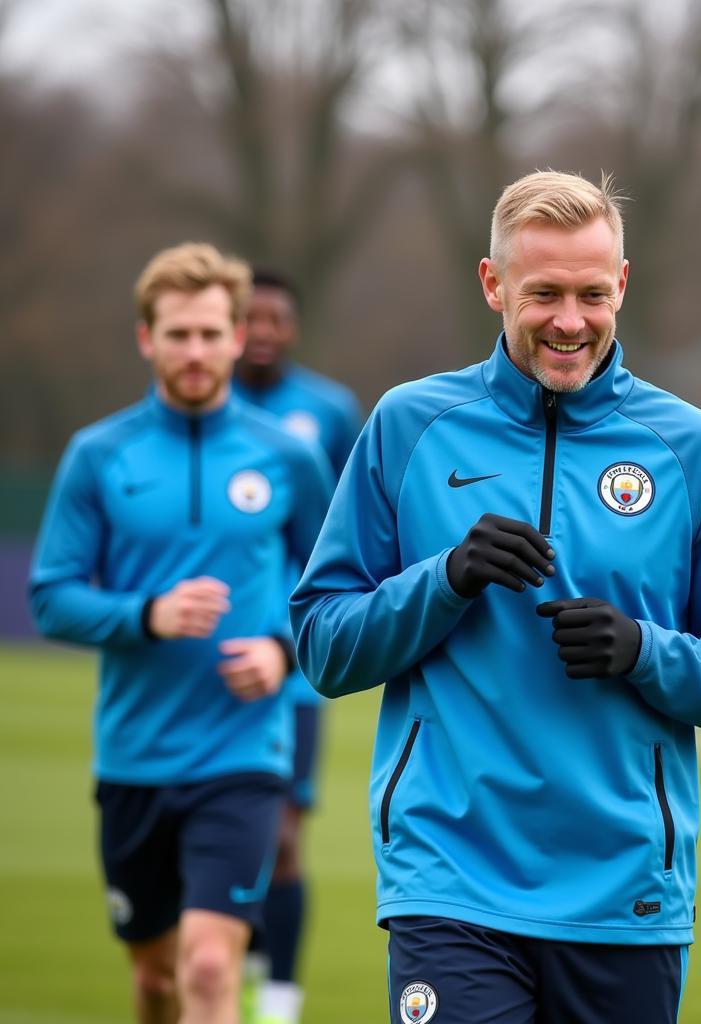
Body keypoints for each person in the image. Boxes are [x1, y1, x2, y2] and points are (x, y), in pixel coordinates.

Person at [289, 170, 701, 1024]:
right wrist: (445, 579)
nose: (571, 321)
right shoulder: (407, 426)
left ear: (623, 286)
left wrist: (646, 652)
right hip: (450, 880)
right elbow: (321, 646)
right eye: (545, 294)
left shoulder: (697, 449)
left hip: (625, 893)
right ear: (494, 285)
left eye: (592, 294)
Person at [29, 243, 333, 1024]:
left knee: (207, 968)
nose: (195, 351)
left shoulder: (290, 457)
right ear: (146, 339)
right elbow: (51, 598)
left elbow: (337, 589)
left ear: (237, 336)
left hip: (242, 755)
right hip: (133, 757)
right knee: (158, 980)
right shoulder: (98, 456)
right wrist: (145, 616)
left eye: (209, 333)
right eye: (177, 334)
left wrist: (282, 650)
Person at [233, 269, 363, 1024]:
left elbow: (346, 529)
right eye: (249, 317)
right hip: (209, 658)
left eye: (276, 318)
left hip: (294, 667)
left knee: (282, 834)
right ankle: (238, 957)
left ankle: (280, 998)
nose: (262, 331)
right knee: (227, 836)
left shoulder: (327, 411)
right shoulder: (203, 410)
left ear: (295, 326)